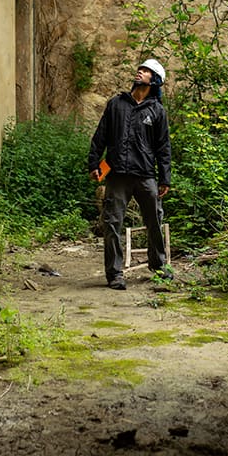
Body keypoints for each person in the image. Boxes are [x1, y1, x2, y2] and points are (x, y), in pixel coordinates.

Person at [88, 58, 172, 290]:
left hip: (145, 176)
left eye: (146, 71)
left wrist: (165, 178)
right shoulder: (116, 104)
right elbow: (100, 136)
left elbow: (163, 147)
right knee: (112, 224)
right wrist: (94, 163)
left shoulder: (157, 111)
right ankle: (115, 274)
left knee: (154, 221)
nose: (140, 71)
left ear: (154, 80)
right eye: (140, 68)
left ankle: (159, 266)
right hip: (117, 176)